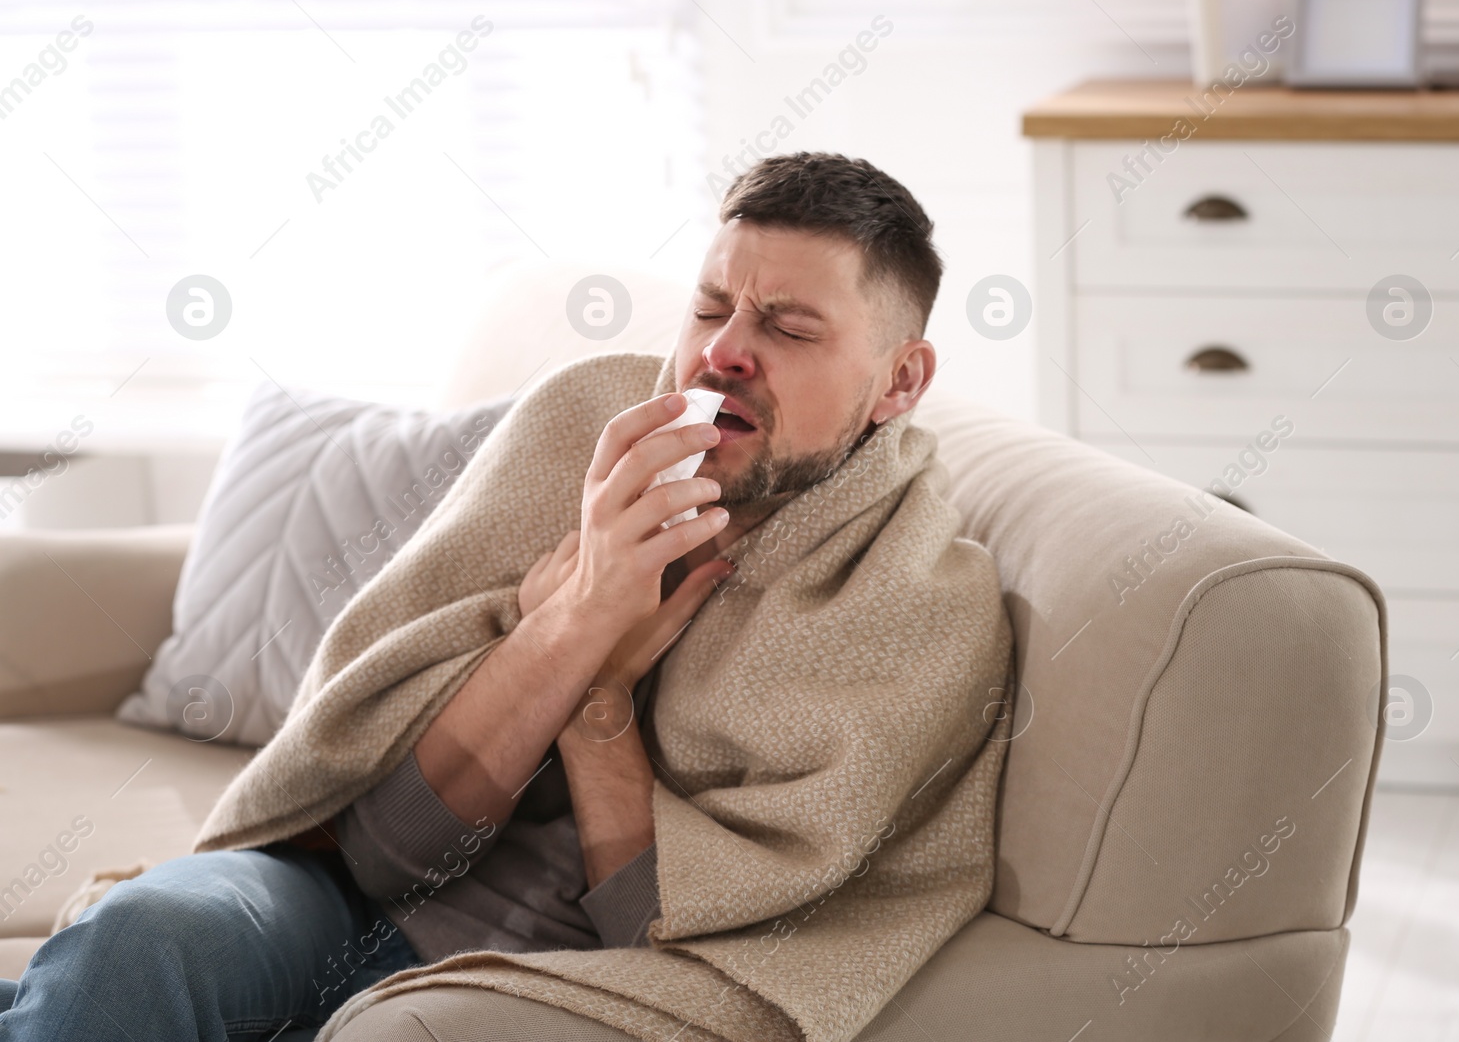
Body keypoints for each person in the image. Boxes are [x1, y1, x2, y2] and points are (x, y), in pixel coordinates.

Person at [0, 152, 952, 1041]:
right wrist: (582, 612)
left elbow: (670, 946)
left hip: (549, 978)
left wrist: (598, 702)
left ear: (897, 381)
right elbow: (382, 855)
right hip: (334, 900)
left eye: (788, 328)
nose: (726, 354)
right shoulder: (582, 422)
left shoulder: (912, 601)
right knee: (141, 937)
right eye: (710, 309)